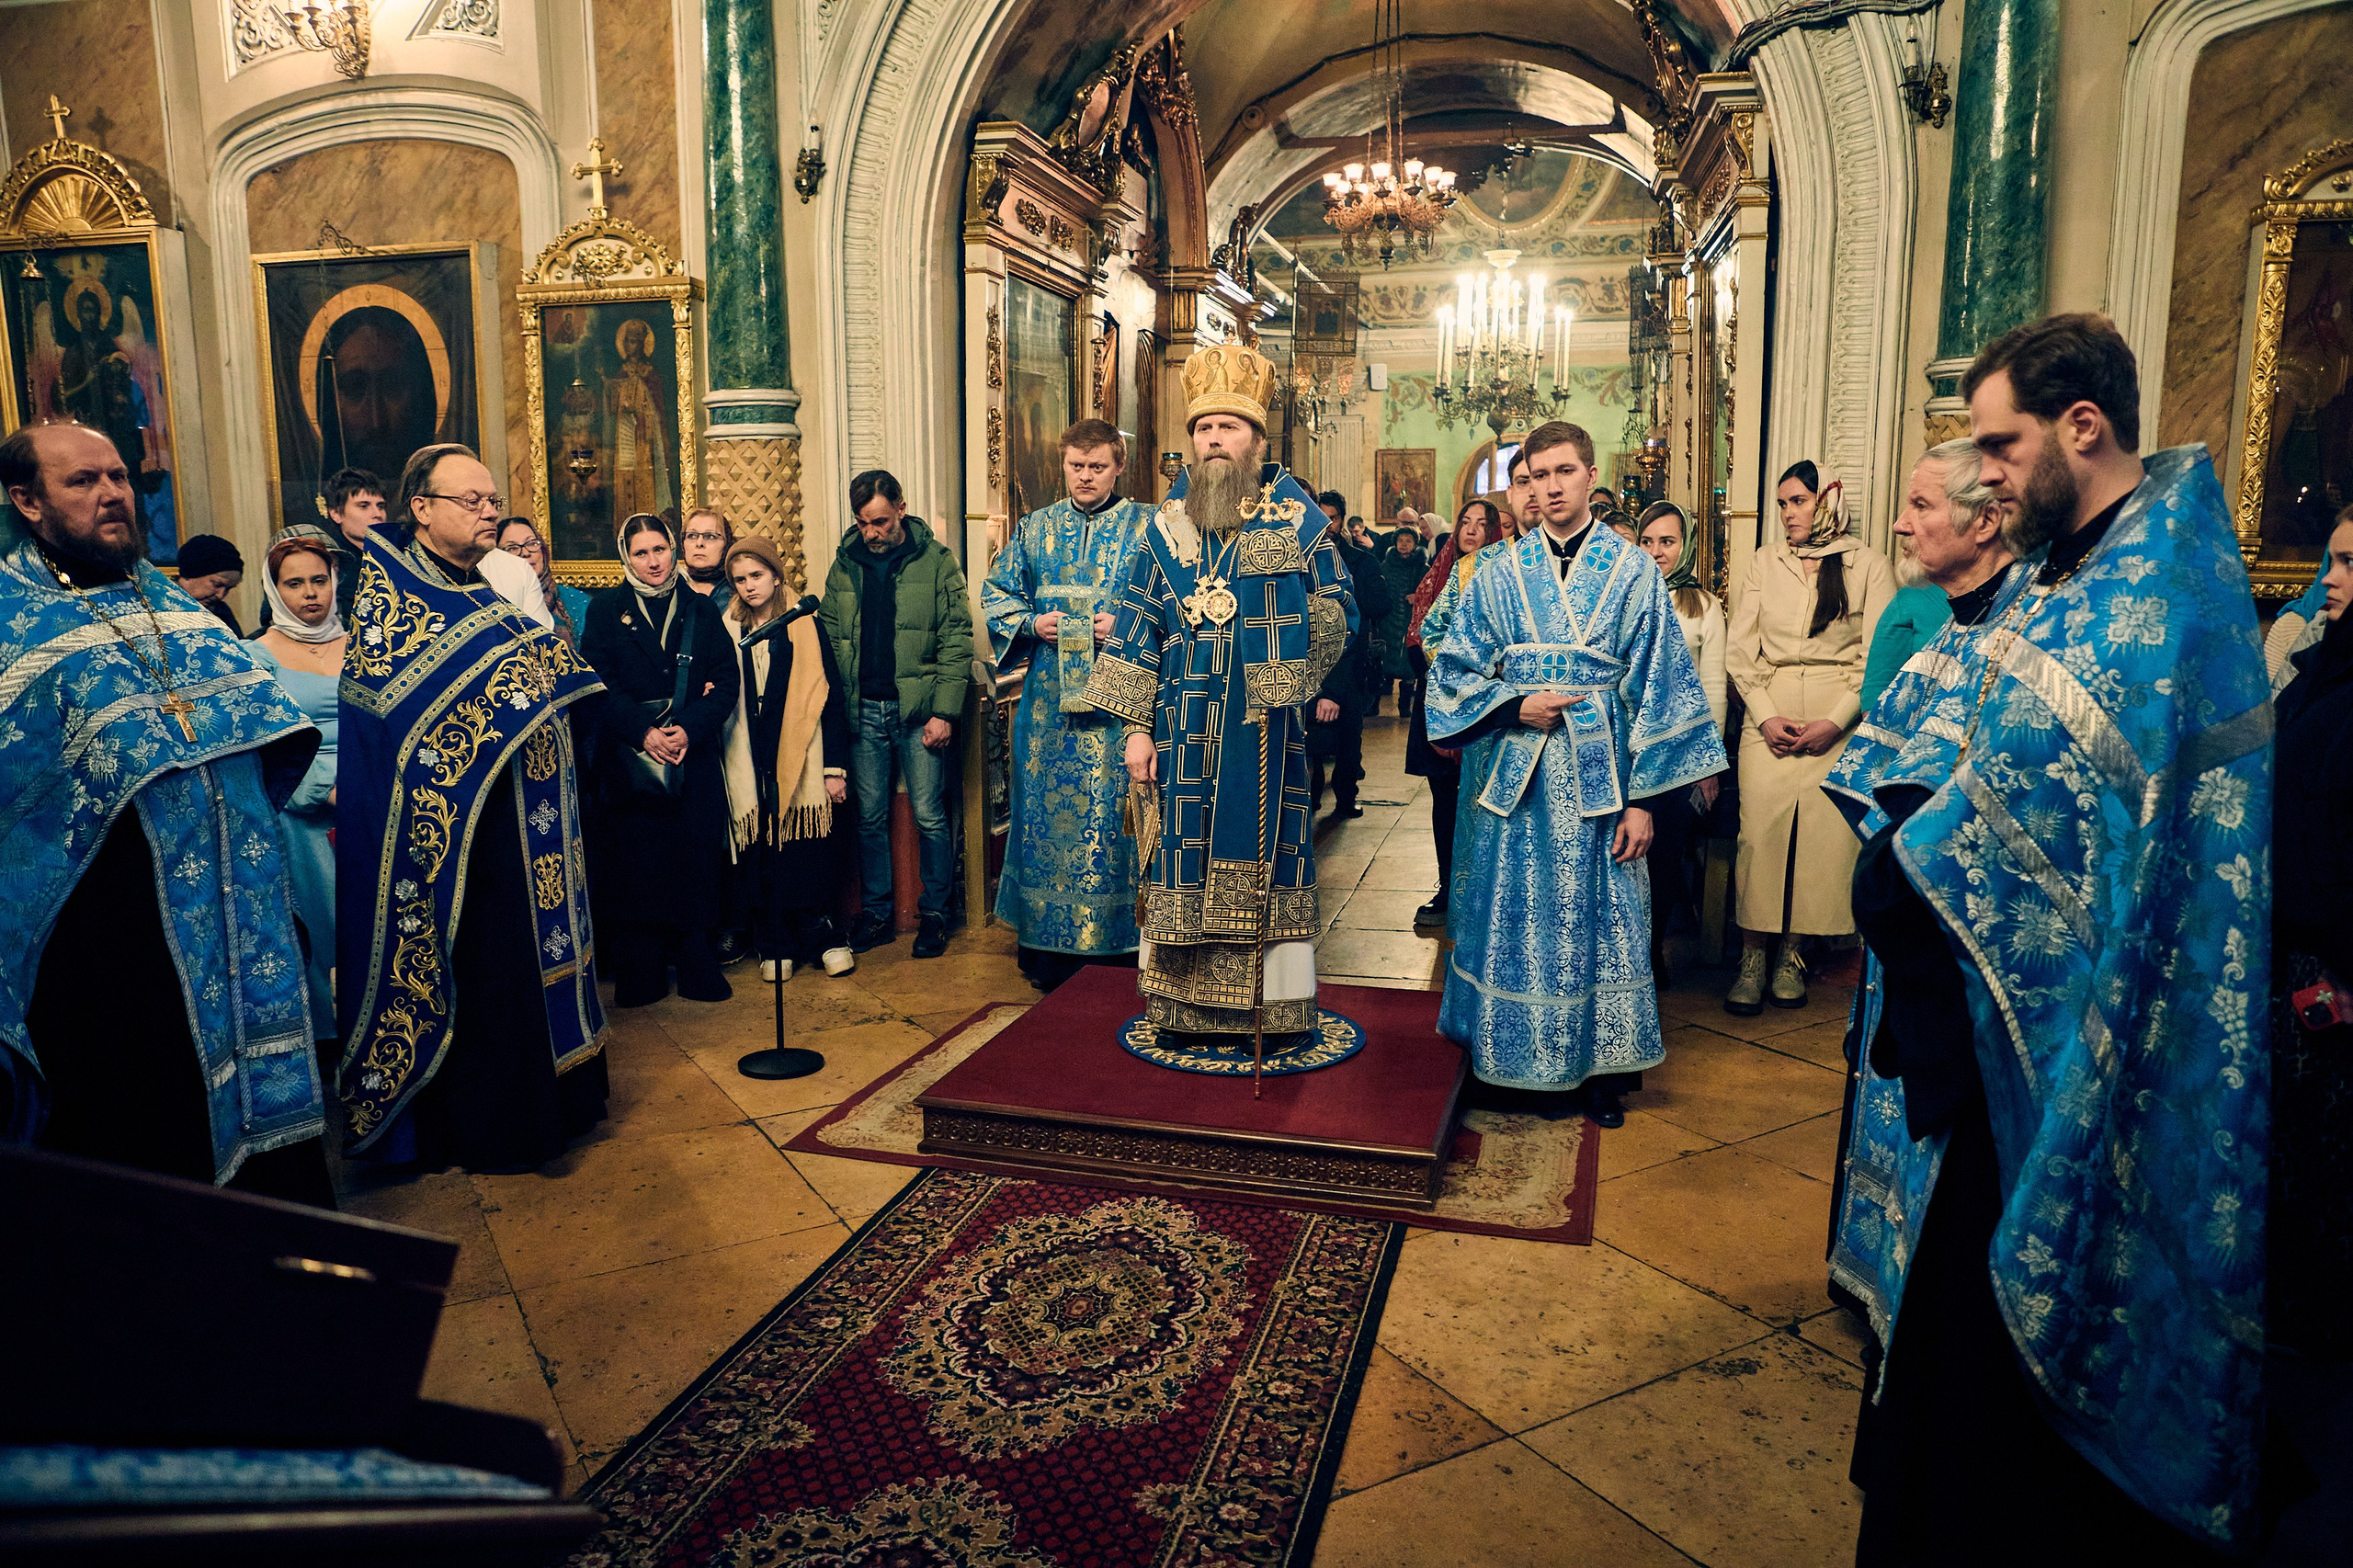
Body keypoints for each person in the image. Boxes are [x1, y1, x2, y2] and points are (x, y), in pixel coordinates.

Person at [1834, 313, 2270, 1561]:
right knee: (1955, 1343)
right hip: (1975, 1026)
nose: (1985, 473)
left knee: (2017, 1353)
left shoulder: (2164, 597)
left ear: (2083, 427)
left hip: (2074, 1029)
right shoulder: (2065, 568)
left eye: (2001, 442)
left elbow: (2127, 847)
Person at [2, 423, 329, 1202]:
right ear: (28, 501)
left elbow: (269, 736)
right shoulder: (10, 624)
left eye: (118, 476)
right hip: (108, 948)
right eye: (82, 481)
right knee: (147, 1146)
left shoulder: (179, 612)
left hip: (242, 922)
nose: (112, 493)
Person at [1427, 421, 1724, 1127]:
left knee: (1601, 920)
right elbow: (1453, 669)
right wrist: (1512, 703)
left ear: (1590, 475)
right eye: (1536, 476)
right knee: (1509, 916)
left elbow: (1664, 686)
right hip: (1514, 780)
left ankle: (1596, 1072)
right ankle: (1501, 1063)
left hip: (1605, 781)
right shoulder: (1496, 571)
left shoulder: (1635, 573)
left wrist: (1646, 803)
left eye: (1564, 472)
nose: (1551, 487)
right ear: (1521, 484)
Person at [338, 444, 608, 1173]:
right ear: (421, 510)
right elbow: (398, 728)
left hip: (525, 824)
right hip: (456, 842)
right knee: (483, 970)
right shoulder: (389, 602)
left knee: (524, 961)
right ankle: (491, 1125)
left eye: (493, 499)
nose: (490, 510)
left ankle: (561, 1100)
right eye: (473, 500)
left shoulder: (481, 590)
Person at [1084, 341, 1358, 1049]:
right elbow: (1137, 623)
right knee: (1181, 859)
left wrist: (1290, 672)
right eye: (1203, 428)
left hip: (1265, 731)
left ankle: (1269, 1011)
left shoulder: (1296, 522)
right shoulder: (1164, 525)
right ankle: (1180, 1012)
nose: (1213, 439)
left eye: (1229, 428)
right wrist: (1136, 732)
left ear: (1258, 442)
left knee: (1267, 856)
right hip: (1181, 732)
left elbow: (1340, 609)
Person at [980, 419, 1154, 989]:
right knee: (1044, 823)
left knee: (1112, 820)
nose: (1085, 477)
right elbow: (997, 594)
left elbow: (1172, 602)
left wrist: (1125, 624)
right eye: (1076, 467)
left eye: (1097, 466)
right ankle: (1045, 946)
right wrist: (1035, 622)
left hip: (1117, 702)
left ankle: (1116, 945)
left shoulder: (1150, 528)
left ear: (1119, 465)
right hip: (1048, 709)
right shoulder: (1035, 529)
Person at [1722, 459, 1896, 1014]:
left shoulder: (1867, 564)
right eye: (1781, 503)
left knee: (1822, 844)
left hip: (1834, 721)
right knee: (1761, 838)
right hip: (1768, 717)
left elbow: (1879, 658)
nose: (1787, 513)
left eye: (1797, 501)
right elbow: (1739, 650)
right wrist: (1767, 714)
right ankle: (1752, 955)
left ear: (1827, 501)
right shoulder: (1763, 563)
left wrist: (1837, 720)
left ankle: (1794, 956)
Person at [579, 512, 740, 1006]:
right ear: (626, 557)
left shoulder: (700, 609)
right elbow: (596, 685)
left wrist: (686, 729)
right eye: (641, 552)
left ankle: (696, 963)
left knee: (695, 861)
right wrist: (645, 733)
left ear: (674, 550)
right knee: (638, 863)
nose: (653, 560)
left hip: (692, 756)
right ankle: (642, 969)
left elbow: (727, 682)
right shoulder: (606, 610)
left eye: (660, 549)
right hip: (632, 760)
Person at [820, 470, 972, 960]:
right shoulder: (844, 565)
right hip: (862, 709)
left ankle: (934, 916)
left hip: (919, 710)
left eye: (881, 522)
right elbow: (827, 637)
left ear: (901, 509)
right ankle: (879, 914)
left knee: (929, 815)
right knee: (869, 818)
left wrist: (945, 711)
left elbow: (957, 638)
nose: (873, 533)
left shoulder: (937, 561)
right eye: (864, 523)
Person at [2268, 501, 2352, 1361]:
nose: (2327, 581)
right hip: (2289, 959)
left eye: (2349, 564)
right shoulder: (2318, 668)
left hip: (2333, 972)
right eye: (2329, 559)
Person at [721, 533, 857, 983]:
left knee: (806, 850)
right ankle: (774, 940)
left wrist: (833, 768)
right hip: (751, 749)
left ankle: (822, 935)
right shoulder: (730, 629)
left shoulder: (804, 622)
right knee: (763, 849)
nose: (749, 587)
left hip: (801, 751)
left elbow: (830, 697)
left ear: (777, 576)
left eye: (757, 576)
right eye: (739, 579)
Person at [250, 529, 347, 1054]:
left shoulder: (366, 647)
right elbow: (261, 747)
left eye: (319, 580)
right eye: (294, 584)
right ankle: (327, 1043)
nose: (310, 593)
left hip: (374, 801)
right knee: (318, 926)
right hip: (299, 809)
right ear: (273, 589)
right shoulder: (253, 656)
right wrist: (324, 790)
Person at [1403, 499, 1506, 927]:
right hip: (1439, 702)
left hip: (1490, 707)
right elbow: (1416, 637)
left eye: (1483, 524)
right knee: (1444, 800)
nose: (1471, 530)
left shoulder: (1504, 574)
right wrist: (1448, 674)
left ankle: (1485, 894)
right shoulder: (1441, 574)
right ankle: (1447, 887)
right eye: (1465, 521)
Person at [1632, 501, 1727, 965]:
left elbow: (1713, 688)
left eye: (1666, 542)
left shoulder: (1704, 607)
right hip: (1621, 750)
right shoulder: (1621, 598)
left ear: (1685, 545)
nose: (1656, 552)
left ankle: (1650, 956)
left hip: (1677, 754)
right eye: (1646, 542)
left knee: (1663, 858)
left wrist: (1709, 766)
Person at [1310, 486, 1392, 821]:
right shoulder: (1305, 557)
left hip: (1353, 657)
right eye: (1322, 518)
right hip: (1314, 659)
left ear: (1341, 520)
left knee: (1348, 735)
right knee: (1312, 737)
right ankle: (1311, 797)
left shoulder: (1361, 560)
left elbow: (1381, 605)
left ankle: (1346, 797)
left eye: (1333, 519)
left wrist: (1347, 600)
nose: (1328, 525)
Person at [1859, 529, 1950, 715]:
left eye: (1922, 508)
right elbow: (1876, 690)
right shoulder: (1909, 599)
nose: (1900, 526)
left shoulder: (2017, 600)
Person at [498, 516, 591, 651]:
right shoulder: (491, 604)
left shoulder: (577, 601)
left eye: (531, 543)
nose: (524, 553)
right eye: (512, 548)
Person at [323, 466, 386, 620]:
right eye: (363, 506)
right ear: (336, 513)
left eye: (380, 506)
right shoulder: (330, 562)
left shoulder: (398, 555)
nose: (377, 515)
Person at [1375, 522, 1426, 714]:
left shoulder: (1422, 567)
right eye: (1400, 540)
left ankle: (1405, 707)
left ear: (1416, 544)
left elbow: (1430, 593)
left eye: (1408, 541)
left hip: (1410, 622)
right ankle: (1375, 706)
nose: (1404, 544)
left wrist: (1418, 597)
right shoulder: (1385, 566)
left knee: (1408, 666)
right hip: (1389, 620)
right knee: (1383, 664)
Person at [176, 532, 244, 635]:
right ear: (192, 573)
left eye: (228, 588)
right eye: (217, 584)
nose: (221, 595)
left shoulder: (221, 612)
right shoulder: (159, 607)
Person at [679, 506, 734, 614]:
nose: (699, 543)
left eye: (710, 536)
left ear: (726, 544)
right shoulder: (672, 588)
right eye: (692, 536)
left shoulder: (739, 589)